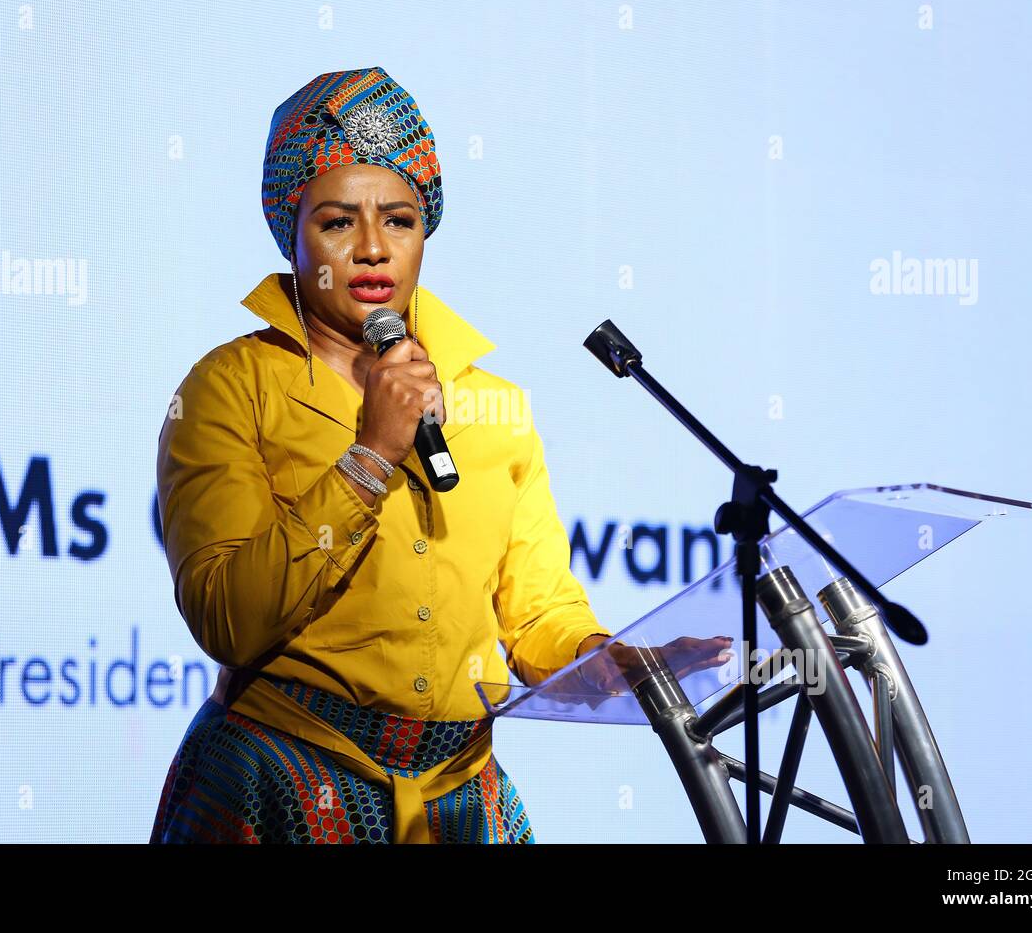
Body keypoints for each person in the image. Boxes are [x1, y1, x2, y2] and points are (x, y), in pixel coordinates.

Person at [149, 67, 662, 844]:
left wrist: (602, 659)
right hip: (281, 780)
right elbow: (227, 615)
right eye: (335, 223)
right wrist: (369, 455)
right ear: (291, 234)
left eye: (398, 219)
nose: (370, 250)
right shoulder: (229, 388)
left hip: (461, 798)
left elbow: (538, 611)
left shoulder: (496, 405)